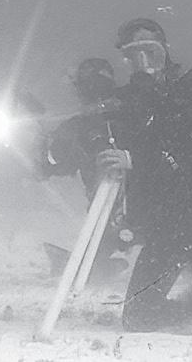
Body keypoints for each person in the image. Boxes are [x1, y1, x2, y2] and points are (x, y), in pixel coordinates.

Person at [97, 18, 192, 336]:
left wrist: (133, 159)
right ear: (125, 58)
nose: (144, 61)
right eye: (134, 53)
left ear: (165, 49)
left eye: (150, 50)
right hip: (167, 225)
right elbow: (105, 133)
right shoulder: (129, 101)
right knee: (137, 318)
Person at [31, 57, 129, 287]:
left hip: (132, 206)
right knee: (107, 235)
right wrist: (41, 140)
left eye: (99, 86)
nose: (96, 97)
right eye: (88, 87)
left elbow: (48, 168)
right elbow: (48, 167)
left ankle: (86, 265)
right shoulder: (76, 129)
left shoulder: (130, 118)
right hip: (107, 213)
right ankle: (85, 266)